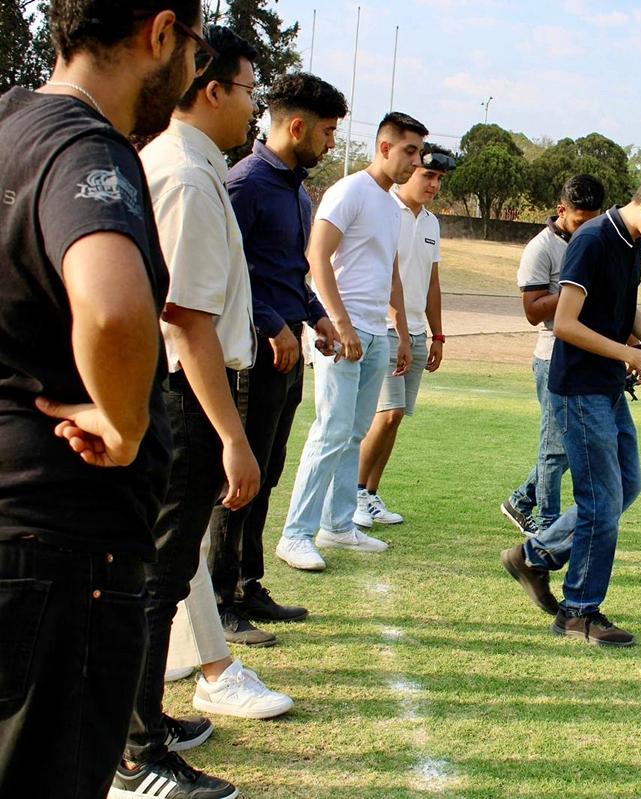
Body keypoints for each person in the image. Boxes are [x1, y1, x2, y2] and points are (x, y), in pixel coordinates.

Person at [0, 2, 198, 794]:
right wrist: (123, 424)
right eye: (192, 49)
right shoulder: (89, 149)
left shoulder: (11, 121)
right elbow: (113, 306)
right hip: (58, 546)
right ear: (159, 35)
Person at [111, 26, 277, 799]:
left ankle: (143, 715)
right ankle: (135, 750)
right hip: (184, 392)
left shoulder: (193, 166)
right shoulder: (182, 170)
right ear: (212, 89)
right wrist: (233, 436)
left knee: (164, 572)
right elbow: (184, 319)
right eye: (250, 90)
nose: (255, 108)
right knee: (156, 573)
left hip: (186, 385)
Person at [501, 164, 641, 647]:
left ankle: (534, 556)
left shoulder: (633, 242)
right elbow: (565, 323)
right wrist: (636, 355)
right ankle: (578, 611)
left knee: (626, 486)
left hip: (608, 385)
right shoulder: (593, 239)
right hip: (578, 391)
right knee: (602, 504)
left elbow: (624, 306)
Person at [207, 72, 347, 643]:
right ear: (297, 126)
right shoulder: (244, 185)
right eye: (329, 131)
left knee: (266, 473)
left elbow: (288, 270)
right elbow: (227, 273)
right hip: (253, 352)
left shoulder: (294, 187)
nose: (333, 142)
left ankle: (247, 581)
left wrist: (315, 316)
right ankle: (218, 603)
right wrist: (272, 324)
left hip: (289, 350)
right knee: (239, 477)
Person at [275, 112, 427, 572]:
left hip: (376, 332)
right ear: (384, 148)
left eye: (418, 152)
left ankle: (338, 525)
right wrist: (339, 324)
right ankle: (294, 534)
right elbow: (315, 257)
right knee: (331, 430)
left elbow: (391, 272)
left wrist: (398, 332)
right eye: (409, 151)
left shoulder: (389, 203)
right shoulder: (349, 192)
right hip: (343, 333)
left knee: (353, 433)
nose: (416, 161)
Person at [354, 144, 455, 528]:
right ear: (411, 169)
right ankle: (353, 492)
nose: (434, 185)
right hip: (382, 328)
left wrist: (438, 335)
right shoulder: (383, 210)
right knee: (387, 412)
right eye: (428, 175)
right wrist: (398, 328)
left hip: (415, 331)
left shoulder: (431, 222)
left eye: (440, 179)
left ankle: (371, 494)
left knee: (397, 418)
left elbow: (432, 282)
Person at [501, 174, 606, 541]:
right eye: (580, 220)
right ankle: (547, 526)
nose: (587, 228)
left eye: (594, 219)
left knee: (565, 445)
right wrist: (576, 290)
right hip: (552, 356)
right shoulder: (541, 248)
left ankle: (520, 500)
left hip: (587, 357)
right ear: (562, 210)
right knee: (554, 447)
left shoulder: (595, 241)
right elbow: (532, 311)